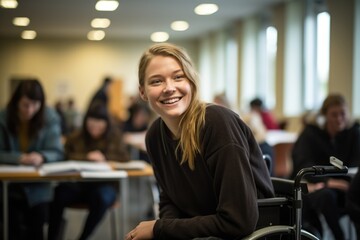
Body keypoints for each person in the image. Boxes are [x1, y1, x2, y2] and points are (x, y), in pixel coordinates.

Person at [125, 43, 274, 240]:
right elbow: (169, 201)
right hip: (204, 233)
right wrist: (168, 231)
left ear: (192, 81)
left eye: (178, 77)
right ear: (142, 92)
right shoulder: (154, 136)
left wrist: (161, 229)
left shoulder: (217, 123)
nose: (169, 88)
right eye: (156, 81)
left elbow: (239, 221)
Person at [47, 100, 130, 240]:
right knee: (58, 193)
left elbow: (125, 158)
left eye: (100, 124)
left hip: (105, 186)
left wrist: (104, 158)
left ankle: (83, 237)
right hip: (78, 185)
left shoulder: (115, 137)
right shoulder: (75, 137)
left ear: (106, 124)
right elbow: (65, 156)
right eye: (92, 123)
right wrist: (86, 157)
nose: (95, 127)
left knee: (102, 197)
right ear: (86, 121)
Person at [0, 79, 63, 240]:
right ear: (16, 102)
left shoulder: (50, 117)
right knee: (10, 227)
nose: (30, 110)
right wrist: (19, 158)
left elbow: (57, 152)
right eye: (25, 105)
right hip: (8, 187)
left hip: (38, 187)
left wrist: (42, 156)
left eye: (35, 105)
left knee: (36, 228)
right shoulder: (3, 118)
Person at [291, 93, 360, 240]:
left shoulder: (355, 133)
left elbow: (356, 164)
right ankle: (338, 236)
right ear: (324, 116)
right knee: (325, 196)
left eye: (342, 114)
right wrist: (329, 181)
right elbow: (303, 163)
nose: (339, 119)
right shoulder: (310, 134)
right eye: (333, 115)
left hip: (347, 187)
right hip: (316, 185)